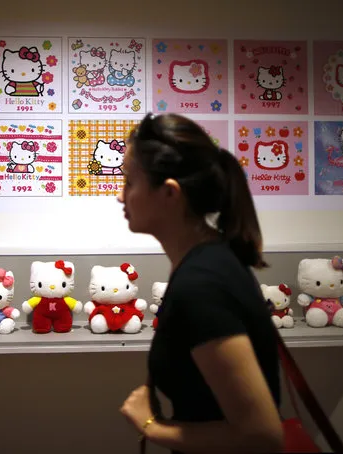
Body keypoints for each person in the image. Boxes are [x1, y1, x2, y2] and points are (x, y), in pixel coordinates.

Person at [118, 113, 284, 454]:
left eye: (129, 182)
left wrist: (151, 425)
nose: (121, 197)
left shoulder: (202, 285)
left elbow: (262, 437)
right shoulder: (211, 259)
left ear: (169, 193)